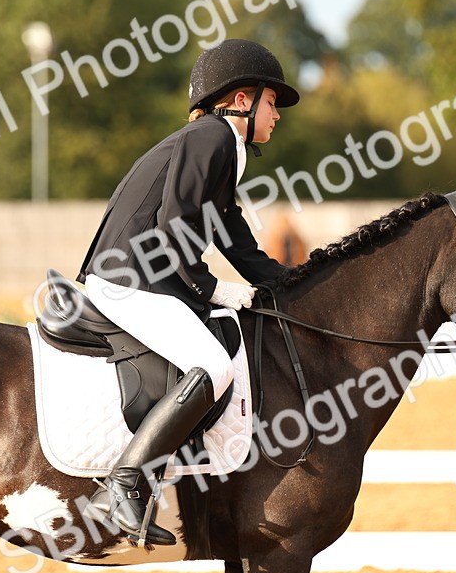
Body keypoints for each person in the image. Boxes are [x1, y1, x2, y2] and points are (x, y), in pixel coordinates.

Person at [77, 39, 300, 544]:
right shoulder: (214, 138)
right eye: (271, 103)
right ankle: (124, 483)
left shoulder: (223, 145)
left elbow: (230, 228)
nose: (277, 116)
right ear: (242, 100)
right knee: (216, 366)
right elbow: (175, 222)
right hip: (131, 277)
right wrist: (211, 288)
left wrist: (283, 281)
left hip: (143, 272)